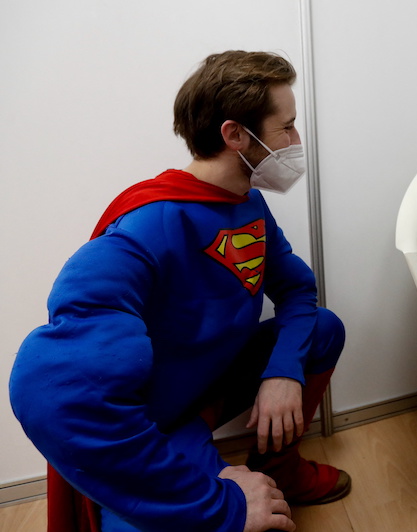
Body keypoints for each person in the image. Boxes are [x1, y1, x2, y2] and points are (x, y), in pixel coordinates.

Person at [9, 50, 350, 532]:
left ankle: (278, 470)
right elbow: (49, 390)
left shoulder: (246, 202)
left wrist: (283, 371)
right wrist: (225, 507)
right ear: (235, 135)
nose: (295, 142)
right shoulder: (144, 228)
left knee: (321, 328)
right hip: (158, 425)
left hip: (209, 385)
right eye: (287, 128)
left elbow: (297, 290)